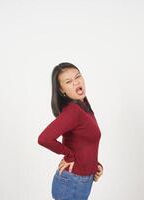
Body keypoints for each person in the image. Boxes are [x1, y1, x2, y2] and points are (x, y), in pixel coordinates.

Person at [38, 62, 103, 200]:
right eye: (68, 81)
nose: (76, 82)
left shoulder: (84, 106)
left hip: (81, 181)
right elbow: (44, 139)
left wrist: (95, 166)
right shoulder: (73, 111)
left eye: (78, 76)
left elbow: (83, 143)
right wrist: (69, 155)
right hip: (71, 183)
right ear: (62, 90)